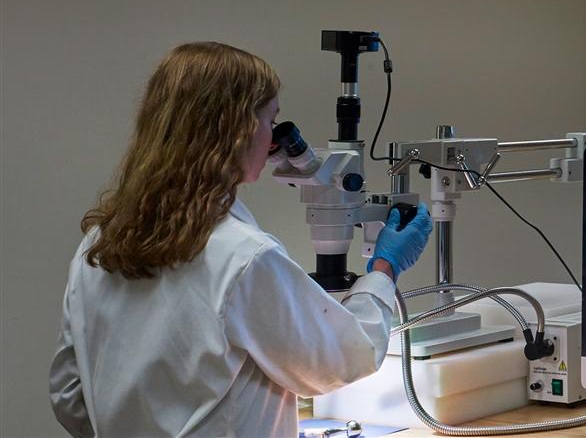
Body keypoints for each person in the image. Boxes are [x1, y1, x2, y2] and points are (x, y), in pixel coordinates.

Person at [47, 42, 434, 437]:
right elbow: (338, 360)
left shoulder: (98, 244)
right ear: (236, 129)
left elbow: (67, 395)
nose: (273, 141)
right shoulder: (243, 257)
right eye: (270, 121)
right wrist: (384, 269)